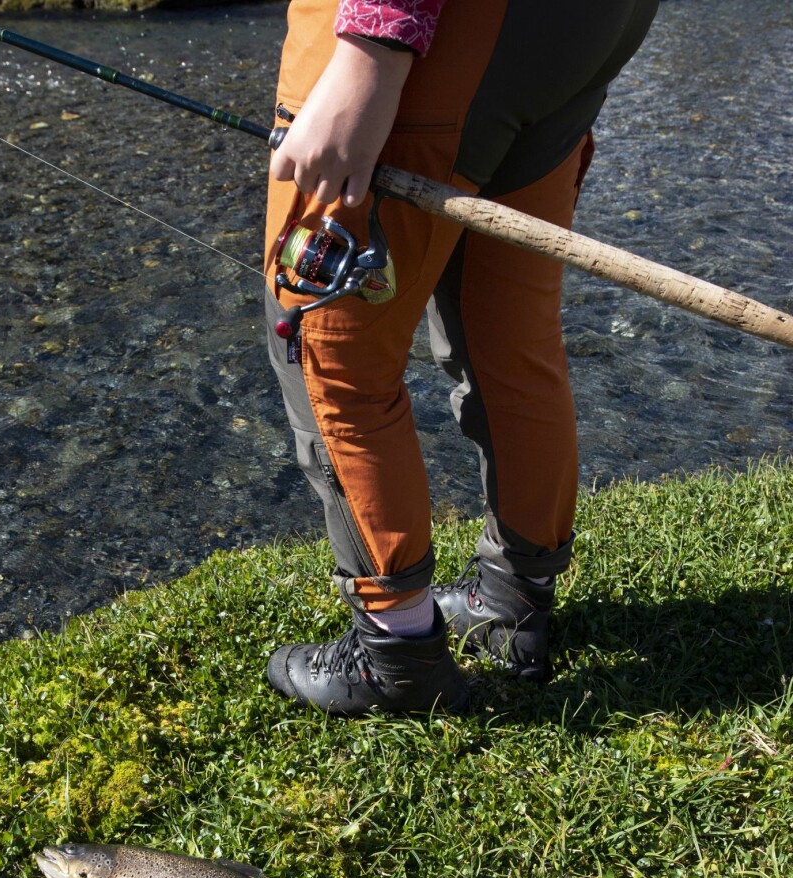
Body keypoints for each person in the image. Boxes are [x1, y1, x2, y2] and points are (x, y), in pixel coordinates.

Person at [263, 0, 659, 715]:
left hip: (435, 34)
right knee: (509, 333)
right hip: (589, 30)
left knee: (329, 353)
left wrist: (371, 52)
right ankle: (512, 602)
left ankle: (397, 656)